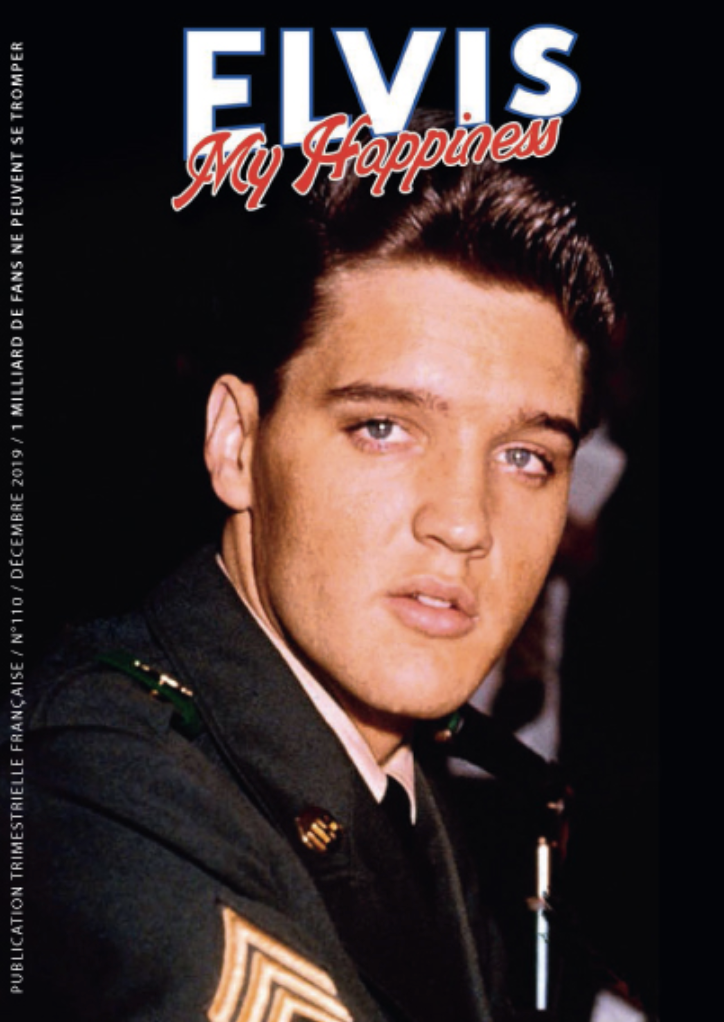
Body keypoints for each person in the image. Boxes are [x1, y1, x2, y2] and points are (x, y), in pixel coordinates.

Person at [11, 116, 618, 1021]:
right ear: (237, 443)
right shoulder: (97, 788)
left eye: (526, 457)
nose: (463, 523)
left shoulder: (399, 767)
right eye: (383, 428)